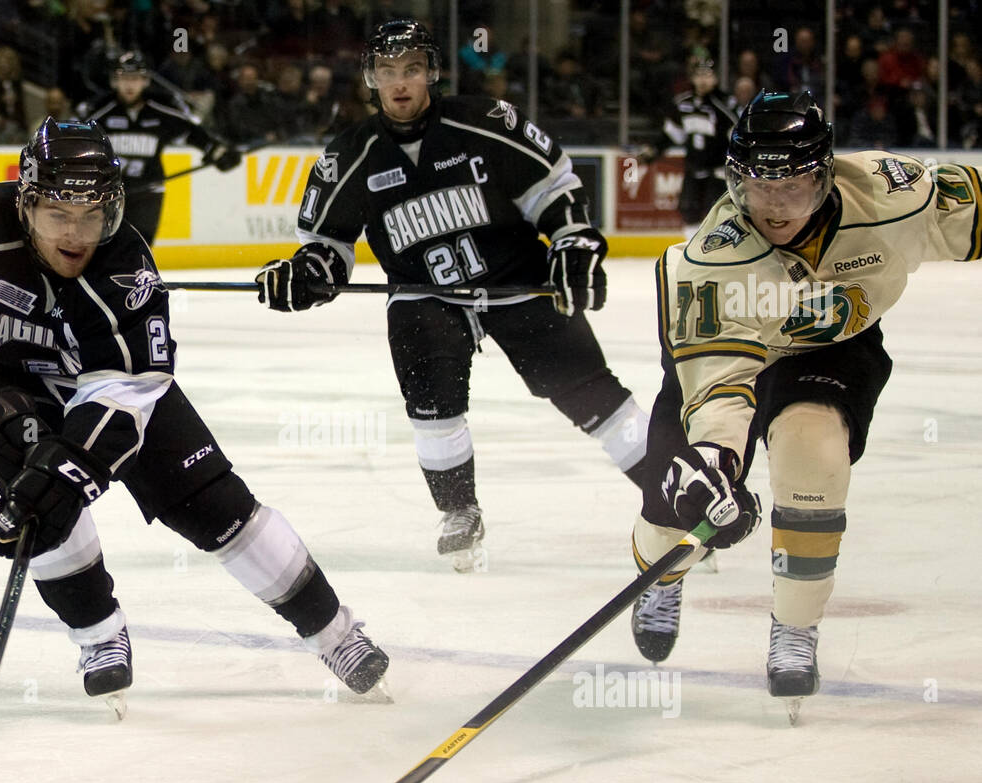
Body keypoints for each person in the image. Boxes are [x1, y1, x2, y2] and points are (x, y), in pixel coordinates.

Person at [0, 119, 389, 712]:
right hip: (10, 388)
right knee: (36, 502)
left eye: (92, 215)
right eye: (60, 215)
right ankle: (98, 636)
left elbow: (130, 385)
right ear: (26, 206)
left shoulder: (125, 258)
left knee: (216, 506)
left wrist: (75, 462)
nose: (78, 234)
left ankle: (335, 634)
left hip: (110, 389)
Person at [627, 90, 982, 713]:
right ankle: (666, 574)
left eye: (791, 186)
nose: (772, 205)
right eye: (756, 186)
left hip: (833, 349)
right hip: (733, 355)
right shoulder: (716, 257)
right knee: (675, 509)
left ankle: (795, 627)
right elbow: (720, 381)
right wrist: (715, 460)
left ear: (824, 175)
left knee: (814, 458)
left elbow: (972, 213)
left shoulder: (892, 196)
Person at [255, 19, 649, 571]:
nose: (400, 83)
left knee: (593, 395)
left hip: (516, 280)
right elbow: (327, 246)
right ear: (371, 78)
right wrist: (304, 276)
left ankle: (670, 489)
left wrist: (573, 239)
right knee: (433, 406)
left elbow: (553, 187)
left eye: (411, 69)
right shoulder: (350, 155)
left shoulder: (484, 122)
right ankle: (459, 509)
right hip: (425, 294)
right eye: (388, 71)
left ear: (431, 73)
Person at [75, 50, 241, 243]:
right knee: (105, 245)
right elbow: (75, 140)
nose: (130, 84)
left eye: (135, 78)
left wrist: (217, 151)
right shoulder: (98, 111)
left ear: (145, 81)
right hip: (108, 192)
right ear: (114, 80)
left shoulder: (162, 109)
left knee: (141, 244)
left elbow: (191, 133)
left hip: (149, 190)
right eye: (124, 78)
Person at [638, 59, 738, 239]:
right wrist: (653, 150)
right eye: (699, 75)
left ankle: (716, 252)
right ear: (692, 78)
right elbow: (671, 135)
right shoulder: (683, 104)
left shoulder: (725, 104)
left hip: (718, 171)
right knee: (688, 210)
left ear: (715, 79)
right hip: (693, 167)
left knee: (715, 212)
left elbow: (737, 137)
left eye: (707, 75)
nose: (703, 80)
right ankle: (692, 251)